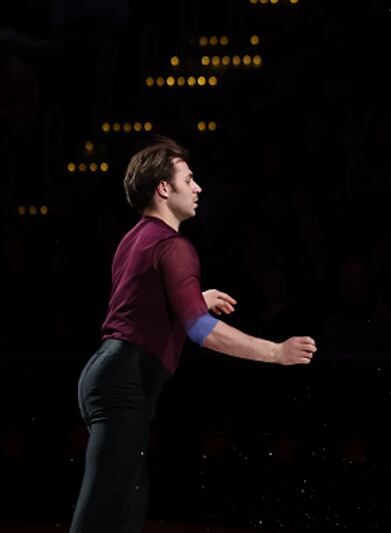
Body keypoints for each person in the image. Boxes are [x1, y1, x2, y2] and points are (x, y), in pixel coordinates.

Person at [69, 137, 317, 532]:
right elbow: (201, 330)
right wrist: (275, 352)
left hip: (110, 376)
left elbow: (139, 306)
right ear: (163, 188)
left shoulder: (134, 239)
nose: (198, 187)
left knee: (126, 510)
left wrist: (194, 299)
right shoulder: (174, 246)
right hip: (124, 381)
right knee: (103, 513)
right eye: (188, 179)